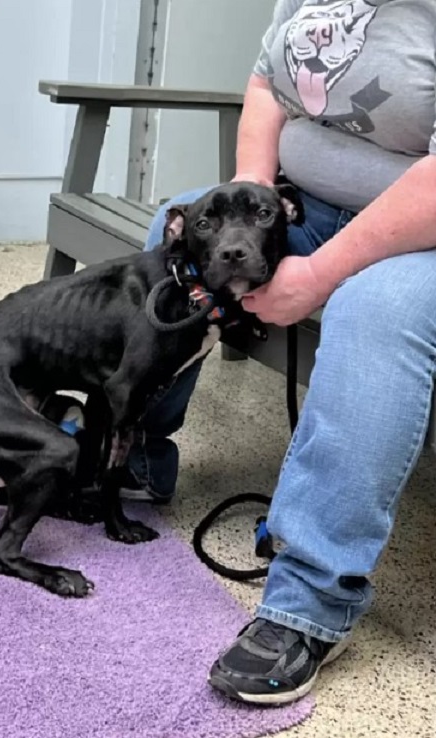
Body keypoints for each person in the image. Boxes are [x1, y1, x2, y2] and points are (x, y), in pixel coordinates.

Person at [122, 0, 436, 705]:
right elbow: (268, 81)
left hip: (425, 227)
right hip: (311, 204)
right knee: (178, 227)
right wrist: (252, 200)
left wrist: (320, 275)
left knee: (374, 309)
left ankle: (311, 601)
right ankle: (132, 455)